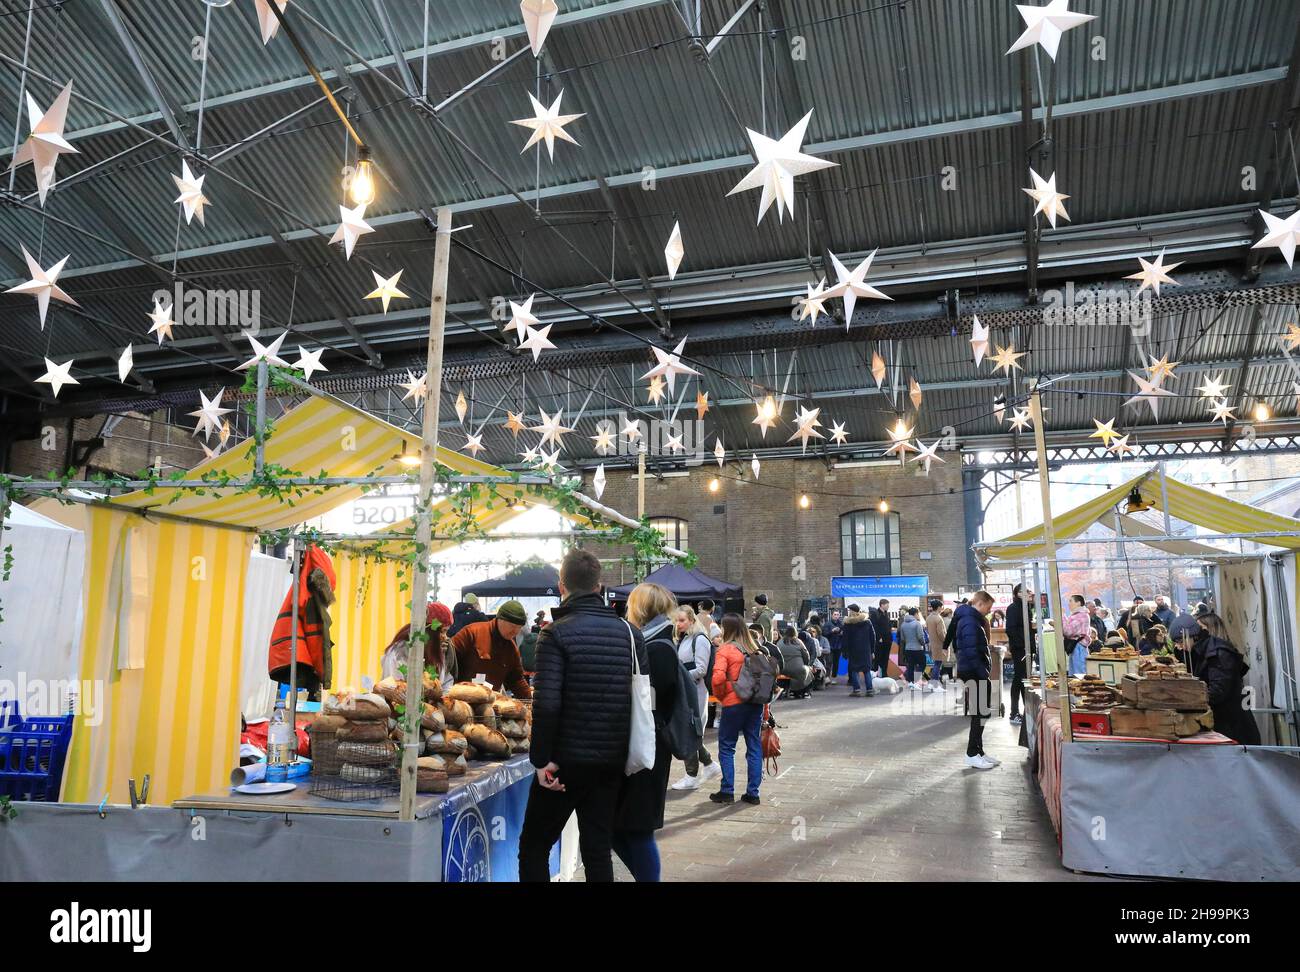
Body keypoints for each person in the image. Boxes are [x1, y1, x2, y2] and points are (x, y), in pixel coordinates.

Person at [519, 549, 647, 882]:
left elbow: (547, 703)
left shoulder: (554, 633)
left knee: (534, 846)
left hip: (564, 762)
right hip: (611, 759)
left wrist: (540, 760)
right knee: (597, 848)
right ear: (599, 586)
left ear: (561, 586)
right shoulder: (630, 633)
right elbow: (645, 699)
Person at [613, 582, 681, 882]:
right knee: (622, 827)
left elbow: (650, 700)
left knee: (637, 828)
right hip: (645, 743)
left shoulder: (655, 646)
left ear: (639, 609)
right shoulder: (655, 641)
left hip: (648, 745)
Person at [710, 614, 768, 805]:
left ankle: (727, 790)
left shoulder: (725, 650)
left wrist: (723, 695)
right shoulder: (756, 649)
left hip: (734, 704)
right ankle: (753, 793)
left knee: (727, 745)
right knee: (754, 745)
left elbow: (718, 679)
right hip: (755, 703)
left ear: (727, 629)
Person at [1191, 612, 1261, 745]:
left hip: (1232, 726)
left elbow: (1218, 692)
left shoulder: (1220, 653)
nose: (1196, 633)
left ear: (1208, 630)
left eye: (1199, 629)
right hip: (1228, 723)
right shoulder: (1212, 653)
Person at [671, 605, 721, 791]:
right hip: (687, 690)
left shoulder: (699, 639)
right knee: (690, 731)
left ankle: (692, 775)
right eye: (677, 620)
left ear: (692, 620)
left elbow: (701, 669)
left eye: (682, 620)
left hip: (695, 691)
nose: (678, 624)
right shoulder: (685, 639)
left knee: (689, 731)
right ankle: (709, 765)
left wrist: (679, 675)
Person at [451, 600, 532, 698]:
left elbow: (516, 680)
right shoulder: (472, 633)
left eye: (519, 627)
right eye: (512, 626)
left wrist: (531, 702)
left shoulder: (511, 648)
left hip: (490, 703)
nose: (515, 631)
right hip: (462, 700)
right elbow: (448, 659)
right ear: (500, 619)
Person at [954, 591, 998, 770]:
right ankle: (972, 753)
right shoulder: (970, 621)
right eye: (988, 607)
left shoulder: (970, 619)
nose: (989, 611)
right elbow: (971, 651)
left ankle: (978, 751)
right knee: (980, 713)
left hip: (973, 671)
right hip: (974, 672)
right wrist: (983, 672)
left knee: (982, 713)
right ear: (980, 603)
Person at [381, 601, 456, 681]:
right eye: (442, 631)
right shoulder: (399, 652)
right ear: (429, 631)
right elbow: (394, 688)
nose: (445, 637)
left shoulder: (435, 650)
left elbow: (445, 682)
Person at [1005, 584, 1034, 726]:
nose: (1031, 593)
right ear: (1019, 593)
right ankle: (1014, 712)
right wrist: (1023, 644)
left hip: (1025, 648)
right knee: (1019, 679)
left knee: (1023, 680)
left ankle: (1024, 711)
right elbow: (1011, 629)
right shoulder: (1014, 608)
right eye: (1028, 591)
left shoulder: (1026, 608)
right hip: (1021, 649)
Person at [841, 603, 876, 697]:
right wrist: (872, 650)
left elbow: (845, 639)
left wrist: (845, 651)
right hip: (866, 650)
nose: (848, 613)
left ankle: (857, 690)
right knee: (867, 670)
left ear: (852, 611)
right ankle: (869, 690)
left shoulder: (848, 624)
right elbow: (873, 637)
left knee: (854, 670)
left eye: (849, 611)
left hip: (853, 650)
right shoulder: (867, 622)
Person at [775, 624, 814, 697]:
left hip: (782, 669)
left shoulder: (779, 642)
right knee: (808, 671)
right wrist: (806, 664)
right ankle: (802, 691)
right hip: (798, 669)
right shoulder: (798, 641)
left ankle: (790, 690)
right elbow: (806, 655)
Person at [1062, 594, 1095, 676]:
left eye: (1071, 601)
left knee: (1079, 675)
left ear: (1078, 603)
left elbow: (1067, 631)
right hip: (1076, 647)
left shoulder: (1082, 616)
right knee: (1074, 675)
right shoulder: (1077, 615)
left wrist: (1062, 616)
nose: (1068, 604)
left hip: (1079, 648)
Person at [898, 606, 929, 691]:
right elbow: (920, 637)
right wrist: (924, 643)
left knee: (910, 666)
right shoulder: (917, 623)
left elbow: (903, 639)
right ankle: (916, 681)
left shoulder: (903, 624)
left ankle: (911, 682)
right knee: (922, 664)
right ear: (915, 614)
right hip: (918, 648)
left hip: (908, 648)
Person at [926, 599, 948, 686]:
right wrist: (945, 642)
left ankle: (934, 682)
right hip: (939, 644)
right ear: (939, 607)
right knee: (938, 664)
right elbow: (941, 633)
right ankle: (934, 682)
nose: (942, 608)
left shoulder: (929, 617)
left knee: (936, 663)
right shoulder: (938, 618)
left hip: (932, 643)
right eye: (941, 607)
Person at [868, 599, 893, 676]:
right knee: (877, 658)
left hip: (887, 640)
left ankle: (884, 674)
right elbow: (874, 627)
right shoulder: (875, 614)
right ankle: (874, 675)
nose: (888, 606)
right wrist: (879, 637)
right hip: (880, 641)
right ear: (882, 605)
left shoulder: (886, 613)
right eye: (887, 604)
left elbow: (887, 626)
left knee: (885, 658)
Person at [825, 609, 845, 684]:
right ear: (832, 615)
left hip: (838, 646)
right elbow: (824, 634)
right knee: (829, 662)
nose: (836, 616)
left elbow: (844, 634)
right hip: (830, 645)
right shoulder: (828, 624)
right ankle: (827, 677)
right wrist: (832, 631)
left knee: (836, 663)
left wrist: (842, 633)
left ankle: (834, 677)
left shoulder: (841, 624)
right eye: (835, 614)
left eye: (837, 614)